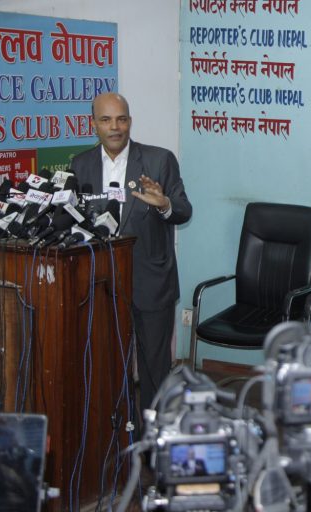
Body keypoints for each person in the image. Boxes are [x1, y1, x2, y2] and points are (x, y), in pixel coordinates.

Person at [70, 92, 192, 415]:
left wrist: (164, 204)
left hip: (150, 283)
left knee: (154, 371)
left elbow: (183, 209)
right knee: (109, 366)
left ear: (130, 122)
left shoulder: (159, 160)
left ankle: (155, 435)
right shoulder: (80, 165)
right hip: (101, 286)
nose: (115, 127)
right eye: (106, 120)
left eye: (121, 119)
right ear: (93, 124)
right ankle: (121, 435)